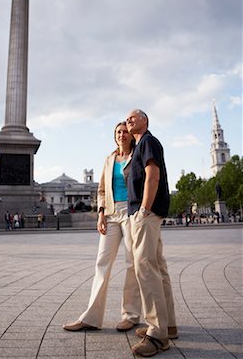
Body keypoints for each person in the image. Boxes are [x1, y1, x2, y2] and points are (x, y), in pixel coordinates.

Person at [63, 122, 142, 332]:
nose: (122, 134)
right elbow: (101, 190)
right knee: (102, 263)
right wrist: (101, 214)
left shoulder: (137, 156)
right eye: (118, 132)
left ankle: (131, 315)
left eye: (125, 131)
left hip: (131, 211)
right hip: (111, 213)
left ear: (131, 136)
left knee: (131, 262)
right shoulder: (109, 160)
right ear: (114, 136)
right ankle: (91, 317)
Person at [125, 109, 177, 357]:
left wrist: (143, 209)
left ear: (145, 121)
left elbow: (152, 176)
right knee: (157, 266)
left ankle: (157, 335)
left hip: (145, 213)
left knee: (145, 267)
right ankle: (168, 325)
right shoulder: (140, 145)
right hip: (149, 213)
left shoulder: (147, 141)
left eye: (133, 117)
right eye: (127, 119)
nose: (128, 120)